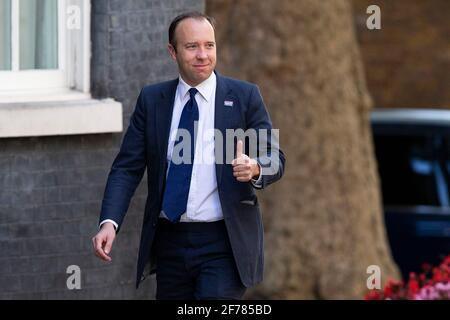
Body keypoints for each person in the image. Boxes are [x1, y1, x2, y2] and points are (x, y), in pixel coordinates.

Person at [92, 11, 285, 300]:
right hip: (170, 242)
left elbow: (275, 157)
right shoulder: (152, 100)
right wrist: (109, 221)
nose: (202, 55)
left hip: (224, 243)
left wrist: (256, 167)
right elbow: (127, 168)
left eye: (209, 45)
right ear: (173, 51)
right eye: (192, 46)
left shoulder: (244, 97)